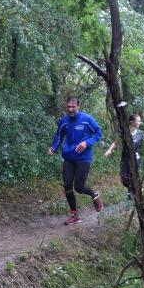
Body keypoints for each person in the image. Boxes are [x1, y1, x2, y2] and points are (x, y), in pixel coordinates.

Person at [47, 96, 104, 224]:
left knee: (79, 187)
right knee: (67, 185)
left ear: (78, 106)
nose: (70, 109)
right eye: (68, 107)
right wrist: (53, 148)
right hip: (69, 157)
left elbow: (98, 134)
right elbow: (59, 136)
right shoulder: (64, 121)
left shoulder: (87, 119)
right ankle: (74, 215)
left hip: (84, 158)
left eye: (73, 107)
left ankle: (94, 194)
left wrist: (86, 142)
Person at [104, 113, 144, 199]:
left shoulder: (140, 133)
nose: (140, 123)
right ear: (132, 122)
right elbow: (116, 142)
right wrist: (109, 150)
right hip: (125, 159)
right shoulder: (124, 132)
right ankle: (132, 191)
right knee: (124, 178)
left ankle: (135, 195)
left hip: (136, 159)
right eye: (138, 121)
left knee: (134, 177)